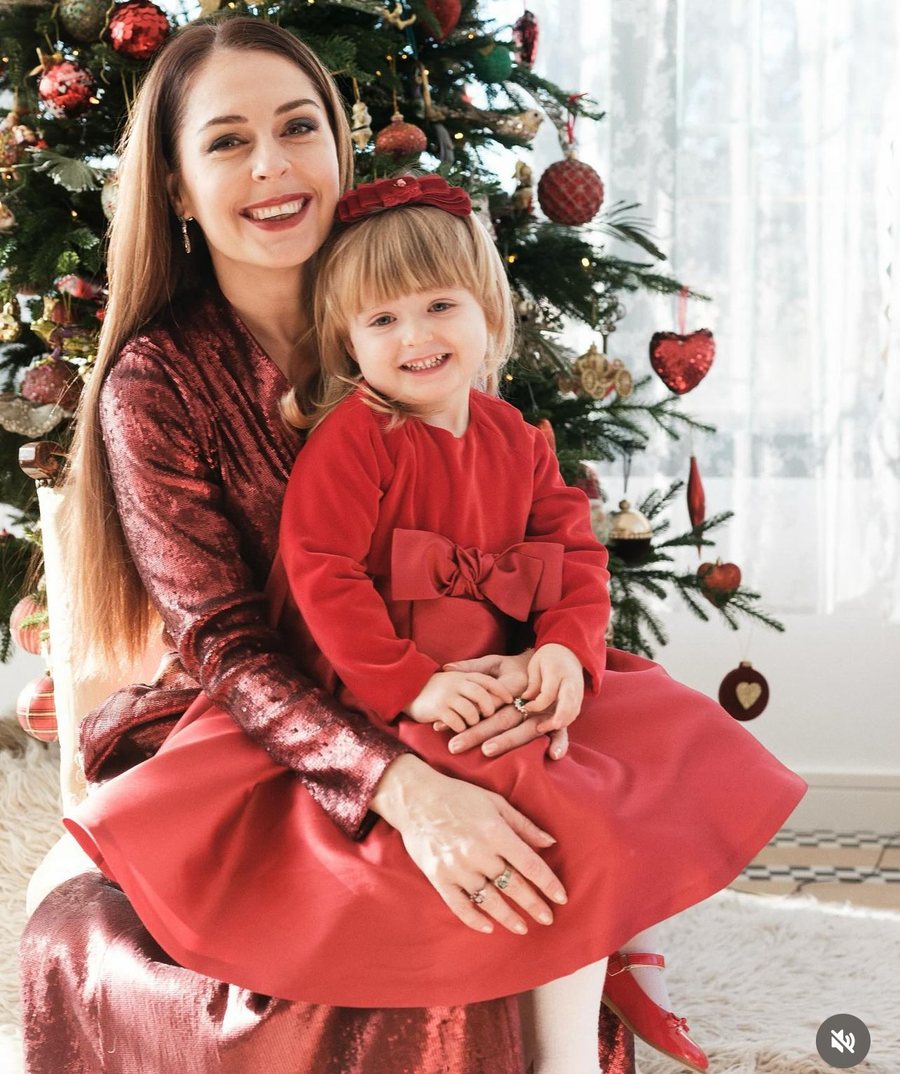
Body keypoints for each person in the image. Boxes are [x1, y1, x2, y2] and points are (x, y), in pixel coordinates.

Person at [64, 175, 807, 1074]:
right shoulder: (355, 439)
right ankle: (558, 1036)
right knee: (526, 787)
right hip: (383, 690)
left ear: (488, 311)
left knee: (654, 743)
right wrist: (412, 684)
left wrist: (564, 654)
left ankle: (612, 977)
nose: (415, 336)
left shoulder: (515, 436)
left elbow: (573, 552)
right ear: (348, 340)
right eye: (382, 320)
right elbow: (324, 577)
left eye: (439, 307)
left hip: (498, 672)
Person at [20, 18, 638, 1074]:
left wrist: (539, 661)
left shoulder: (418, 316)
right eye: (227, 141)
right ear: (175, 189)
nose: (273, 165)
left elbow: (525, 531)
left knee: (564, 833)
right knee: (379, 976)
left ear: (338, 147)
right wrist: (395, 783)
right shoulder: (156, 383)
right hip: (257, 728)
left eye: (298, 127)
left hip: (453, 691)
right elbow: (227, 645)